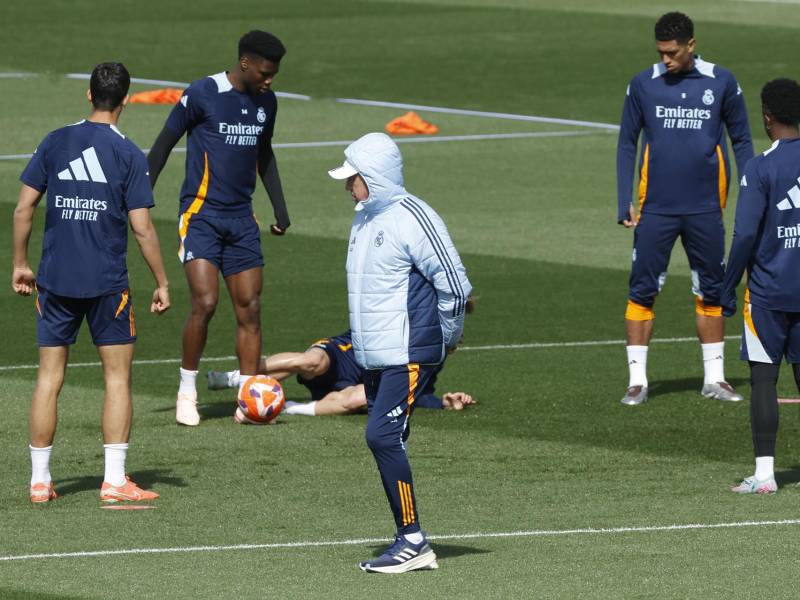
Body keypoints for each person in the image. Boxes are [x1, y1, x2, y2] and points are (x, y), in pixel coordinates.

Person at [12, 62, 170, 503]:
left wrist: (21, 264)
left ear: (88, 95)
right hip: (107, 285)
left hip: (55, 280)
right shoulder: (129, 154)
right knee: (117, 380)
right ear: (125, 100)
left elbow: (23, 209)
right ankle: (114, 480)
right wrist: (161, 280)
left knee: (49, 379)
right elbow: (142, 228)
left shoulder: (56, 140)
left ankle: (40, 482)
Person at [328, 132, 472, 573]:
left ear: (373, 176)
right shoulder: (364, 218)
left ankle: (413, 540)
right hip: (378, 353)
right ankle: (407, 537)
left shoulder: (413, 216)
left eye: (353, 177)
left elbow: (456, 285)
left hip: (410, 350)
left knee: (382, 435)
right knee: (391, 437)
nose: (347, 184)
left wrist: (445, 338)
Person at [147, 30, 290, 426]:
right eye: (265, 71)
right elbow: (163, 144)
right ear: (245, 63)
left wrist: (280, 208)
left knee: (250, 308)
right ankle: (186, 392)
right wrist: (141, 195)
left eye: (274, 73)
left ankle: (248, 399)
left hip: (242, 219)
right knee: (206, 302)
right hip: (200, 215)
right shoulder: (203, 93)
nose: (269, 79)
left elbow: (265, 155)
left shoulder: (267, 102)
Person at [616, 12, 754, 406]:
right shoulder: (644, 84)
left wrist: (751, 195)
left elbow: (742, 141)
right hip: (655, 209)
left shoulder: (722, 81)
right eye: (661, 53)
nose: (667, 60)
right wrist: (623, 199)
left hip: (706, 208)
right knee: (642, 290)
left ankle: (714, 378)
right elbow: (627, 142)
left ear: (691, 45)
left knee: (712, 288)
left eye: (673, 52)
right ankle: (638, 382)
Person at [720, 78, 800, 494]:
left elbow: (746, 235)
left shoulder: (760, 166)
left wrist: (726, 285)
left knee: (765, 379)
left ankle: (765, 475)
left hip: (768, 293)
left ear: (767, 116)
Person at [206, 330, 476, 415]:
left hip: (358, 385)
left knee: (358, 400)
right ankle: (235, 378)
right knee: (311, 361)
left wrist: (442, 402)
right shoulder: (411, 316)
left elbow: (417, 391)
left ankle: (287, 406)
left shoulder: (432, 357)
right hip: (344, 356)